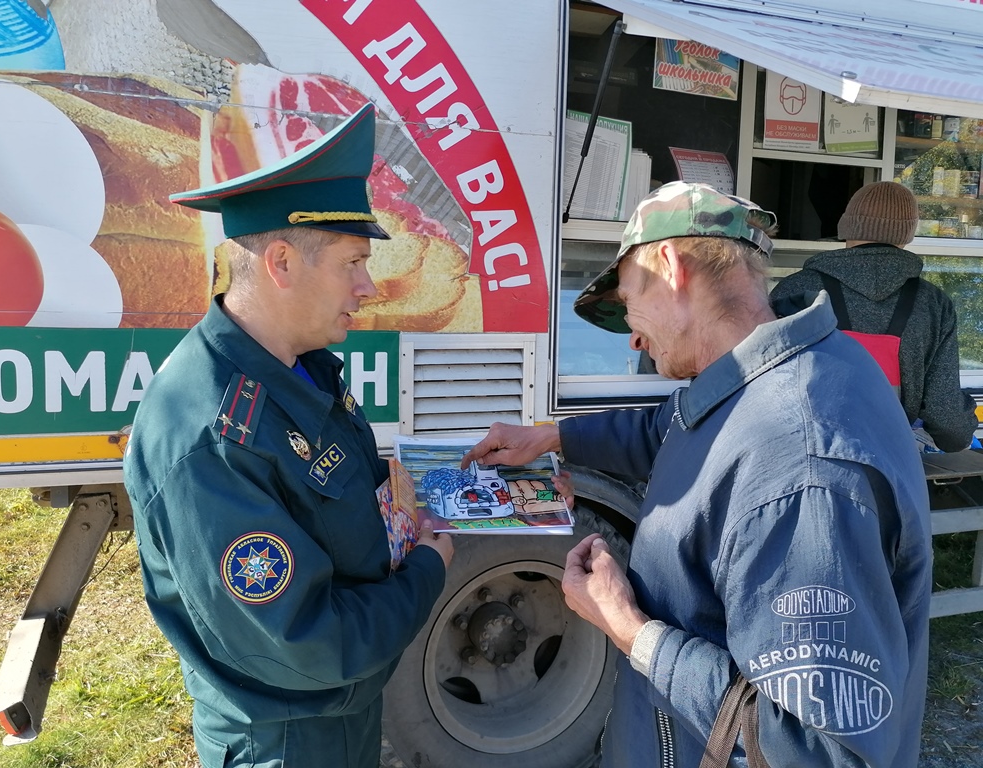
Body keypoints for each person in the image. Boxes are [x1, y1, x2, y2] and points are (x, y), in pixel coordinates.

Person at [463, 182, 932, 768]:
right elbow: (675, 425)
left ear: (669, 267)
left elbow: (815, 751)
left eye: (630, 304)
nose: (632, 336)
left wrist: (631, 630)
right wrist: (554, 438)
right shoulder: (781, 372)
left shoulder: (802, 473)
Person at [123, 103, 453, 768]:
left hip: (337, 714)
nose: (368, 288)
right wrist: (428, 567)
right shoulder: (215, 436)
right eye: (353, 263)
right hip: (287, 741)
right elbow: (310, 643)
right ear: (280, 262)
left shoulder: (297, 366)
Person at [771, 180, 977, 452]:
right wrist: (962, 436)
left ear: (846, 225)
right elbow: (946, 418)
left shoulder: (794, 291)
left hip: (800, 454)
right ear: (907, 234)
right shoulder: (933, 304)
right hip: (888, 465)